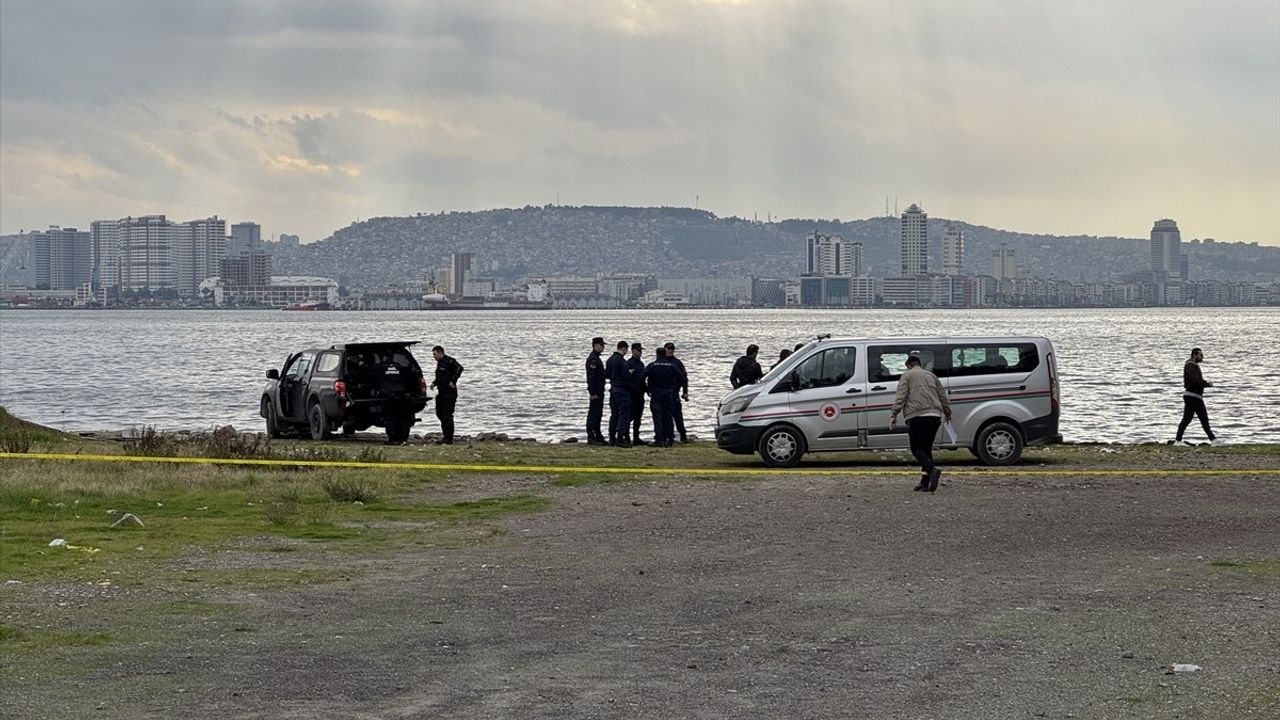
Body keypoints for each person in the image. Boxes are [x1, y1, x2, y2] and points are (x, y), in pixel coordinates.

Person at [889, 355, 952, 493]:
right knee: (926, 449)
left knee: (916, 448)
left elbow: (901, 395)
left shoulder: (907, 375)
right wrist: (948, 413)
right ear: (919, 364)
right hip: (935, 416)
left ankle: (932, 470)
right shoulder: (932, 375)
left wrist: (894, 413)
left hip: (918, 416)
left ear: (908, 365)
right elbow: (942, 395)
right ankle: (925, 483)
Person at [1171, 347, 1217, 446]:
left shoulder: (1194, 365)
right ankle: (1213, 440)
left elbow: (1196, 380)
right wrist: (1207, 384)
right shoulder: (1190, 366)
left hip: (1194, 396)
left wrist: (1204, 384)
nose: (1202, 357)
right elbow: (1195, 380)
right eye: (1200, 355)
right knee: (1202, 418)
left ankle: (1178, 440)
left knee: (1189, 418)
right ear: (1194, 355)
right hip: (1192, 396)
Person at [644, 347, 680, 446]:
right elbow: (681, 377)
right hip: (668, 392)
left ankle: (659, 439)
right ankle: (670, 438)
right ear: (664, 354)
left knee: (657, 416)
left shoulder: (652, 366)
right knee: (668, 415)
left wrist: (647, 389)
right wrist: (675, 389)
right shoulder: (671, 365)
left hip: (656, 393)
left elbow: (642, 377)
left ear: (656, 354)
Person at [430, 345, 464, 445]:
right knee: (439, 413)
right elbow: (441, 376)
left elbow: (459, 368)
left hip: (449, 392)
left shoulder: (449, 361)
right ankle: (445, 435)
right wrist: (434, 383)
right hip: (441, 392)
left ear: (440, 353)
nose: (434, 357)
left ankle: (448, 438)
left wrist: (453, 381)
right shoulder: (440, 363)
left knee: (447, 415)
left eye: (435, 354)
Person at [605, 340, 633, 446]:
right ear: (624, 349)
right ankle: (620, 438)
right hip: (622, 389)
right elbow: (626, 377)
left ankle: (612, 437)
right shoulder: (621, 361)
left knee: (614, 414)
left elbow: (606, 374)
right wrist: (630, 373)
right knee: (624, 414)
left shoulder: (609, 360)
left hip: (613, 389)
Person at [664, 342, 690, 442]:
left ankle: (683, 434)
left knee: (677, 415)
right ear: (665, 349)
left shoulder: (677, 363)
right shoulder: (661, 361)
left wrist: (685, 392)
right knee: (665, 416)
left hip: (674, 392)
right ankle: (667, 435)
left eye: (672, 349)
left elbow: (684, 378)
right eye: (668, 349)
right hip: (664, 391)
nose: (670, 350)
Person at [585, 337, 607, 445]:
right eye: (601, 345)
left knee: (598, 414)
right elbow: (591, 377)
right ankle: (591, 436)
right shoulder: (593, 359)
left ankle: (598, 435)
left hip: (599, 390)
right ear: (595, 345)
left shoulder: (597, 358)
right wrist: (592, 392)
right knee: (593, 414)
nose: (603, 347)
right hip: (596, 391)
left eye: (603, 345)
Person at [627, 342, 647, 445]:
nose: (640, 352)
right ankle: (625, 435)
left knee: (638, 416)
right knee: (630, 416)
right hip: (632, 394)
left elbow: (643, 379)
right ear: (633, 351)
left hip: (640, 393)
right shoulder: (629, 363)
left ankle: (636, 437)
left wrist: (646, 389)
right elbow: (628, 379)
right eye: (639, 350)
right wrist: (632, 389)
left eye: (641, 350)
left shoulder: (641, 364)